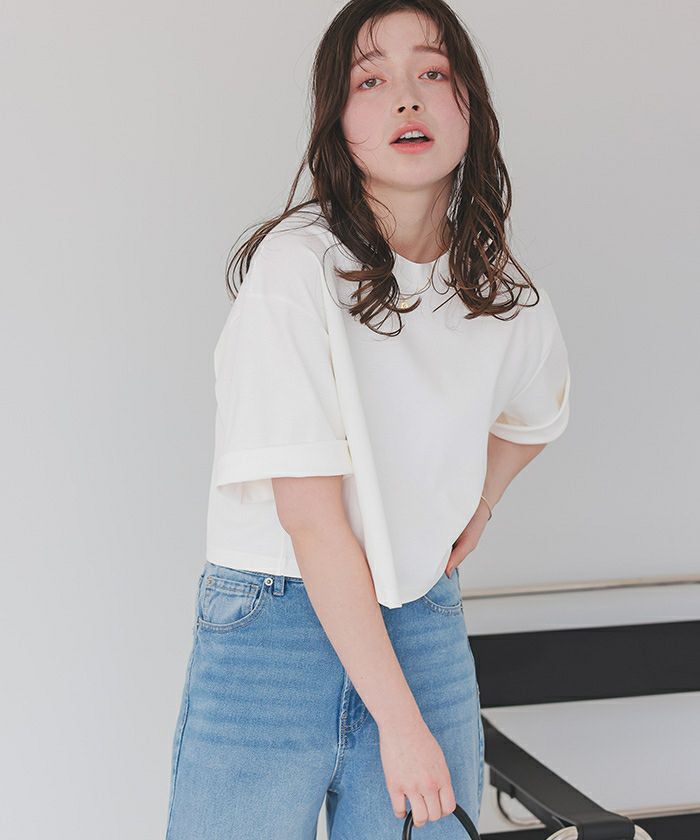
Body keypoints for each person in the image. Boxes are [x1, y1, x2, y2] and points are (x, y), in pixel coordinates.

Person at [165, 1, 572, 838]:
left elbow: (537, 414)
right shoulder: (297, 269)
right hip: (275, 624)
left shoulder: (499, 293)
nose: (407, 97)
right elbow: (312, 520)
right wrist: (403, 725)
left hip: (420, 614)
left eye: (432, 72)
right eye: (371, 80)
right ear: (337, 122)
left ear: (469, 105)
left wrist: (481, 501)